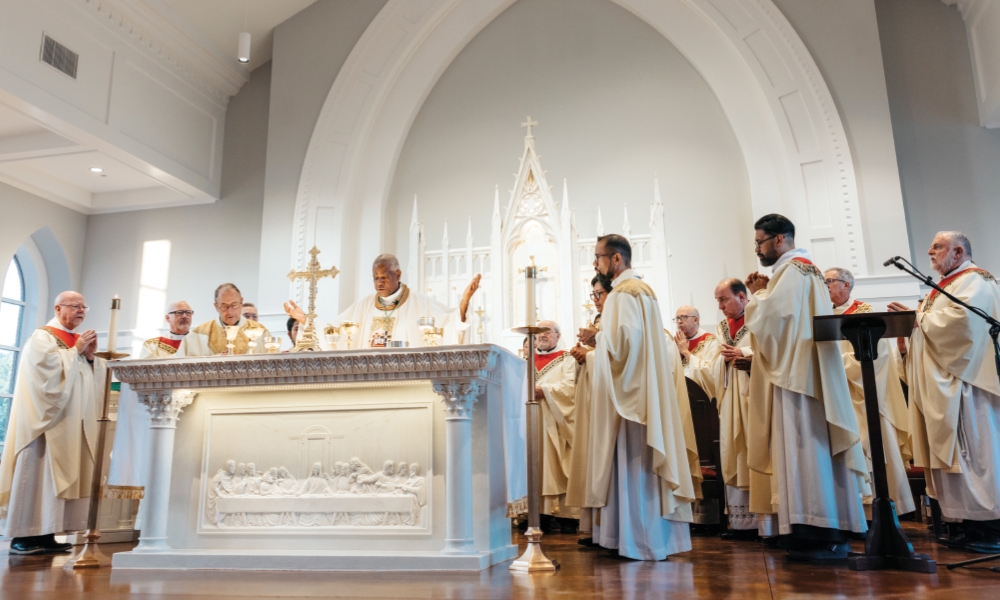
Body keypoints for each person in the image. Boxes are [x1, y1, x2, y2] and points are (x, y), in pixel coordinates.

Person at [743, 214, 867, 560]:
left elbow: (776, 321)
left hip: (799, 380)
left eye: (760, 242)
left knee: (806, 449)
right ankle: (809, 528)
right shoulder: (800, 271)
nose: (758, 249)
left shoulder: (795, 271)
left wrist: (756, 295)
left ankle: (819, 529)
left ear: (779, 239)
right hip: (801, 372)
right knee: (806, 453)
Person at [576, 234, 700, 560]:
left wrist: (595, 338)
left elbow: (623, 345)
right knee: (645, 467)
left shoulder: (620, 295)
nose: (595, 263)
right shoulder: (645, 291)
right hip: (648, 391)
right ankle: (656, 539)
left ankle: (635, 540)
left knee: (633, 465)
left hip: (630, 400)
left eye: (598, 257)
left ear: (616, 259)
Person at [888, 231, 1000, 553]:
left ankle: (988, 528)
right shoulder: (945, 287)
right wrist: (907, 341)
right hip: (945, 389)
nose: (929, 251)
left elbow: (962, 325)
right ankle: (964, 524)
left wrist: (917, 318)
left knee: (975, 457)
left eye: (937, 246)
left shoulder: (976, 280)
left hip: (967, 389)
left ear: (959, 250)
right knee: (957, 462)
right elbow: (929, 327)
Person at [0, 292, 106, 555]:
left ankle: (47, 533)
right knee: (37, 476)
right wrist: (76, 352)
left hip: (70, 423)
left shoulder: (74, 343)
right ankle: (22, 537)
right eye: (75, 306)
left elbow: (85, 379)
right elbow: (44, 374)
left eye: (84, 306)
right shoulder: (43, 337)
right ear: (58, 308)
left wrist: (90, 359)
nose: (81, 311)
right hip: (43, 426)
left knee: (56, 480)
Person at [685, 279, 774, 540]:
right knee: (735, 455)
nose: (720, 306)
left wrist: (745, 353)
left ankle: (765, 523)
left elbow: (772, 351)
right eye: (717, 300)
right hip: (731, 402)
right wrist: (724, 362)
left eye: (724, 299)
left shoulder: (759, 319)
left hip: (755, 400)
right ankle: (742, 524)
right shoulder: (723, 329)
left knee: (757, 452)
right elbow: (713, 368)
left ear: (743, 298)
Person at [824, 267, 914, 519]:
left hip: (864, 397)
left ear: (846, 285)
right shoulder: (822, 316)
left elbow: (879, 356)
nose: (826, 285)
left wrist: (833, 366)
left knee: (870, 448)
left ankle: (877, 512)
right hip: (834, 397)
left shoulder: (866, 315)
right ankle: (848, 511)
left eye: (829, 281)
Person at [106, 301, 194, 518]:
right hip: (161, 412)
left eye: (188, 312)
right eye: (179, 313)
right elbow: (147, 373)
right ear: (168, 318)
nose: (184, 316)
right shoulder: (153, 344)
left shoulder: (200, 341)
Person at [285, 254, 480, 349]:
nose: (379, 283)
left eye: (384, 277)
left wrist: (463, 303)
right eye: (375, 278)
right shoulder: (364, 305)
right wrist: (305, 320)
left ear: (398, 274)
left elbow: (450, 322)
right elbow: (335, 330)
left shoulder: (420, 302)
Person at [531, 320, 578, 532]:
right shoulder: (526, 360)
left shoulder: (567, 358)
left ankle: (566, 516)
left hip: (555, 420)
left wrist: (546, 391)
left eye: (547, 332)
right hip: (530, 420)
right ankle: (536, 514)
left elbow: (571, 387)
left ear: (557, 336)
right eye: (539, 332)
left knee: (558, 463)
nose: (542, 335)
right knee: (533, 463)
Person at [178, 284, 269, 356]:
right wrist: (215, 361)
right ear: (216, 306)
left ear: (241, 302)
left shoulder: (260, 331)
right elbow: (180, 365)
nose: (230, 311)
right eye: (224, 306)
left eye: (234, 305)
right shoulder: (198, 334)